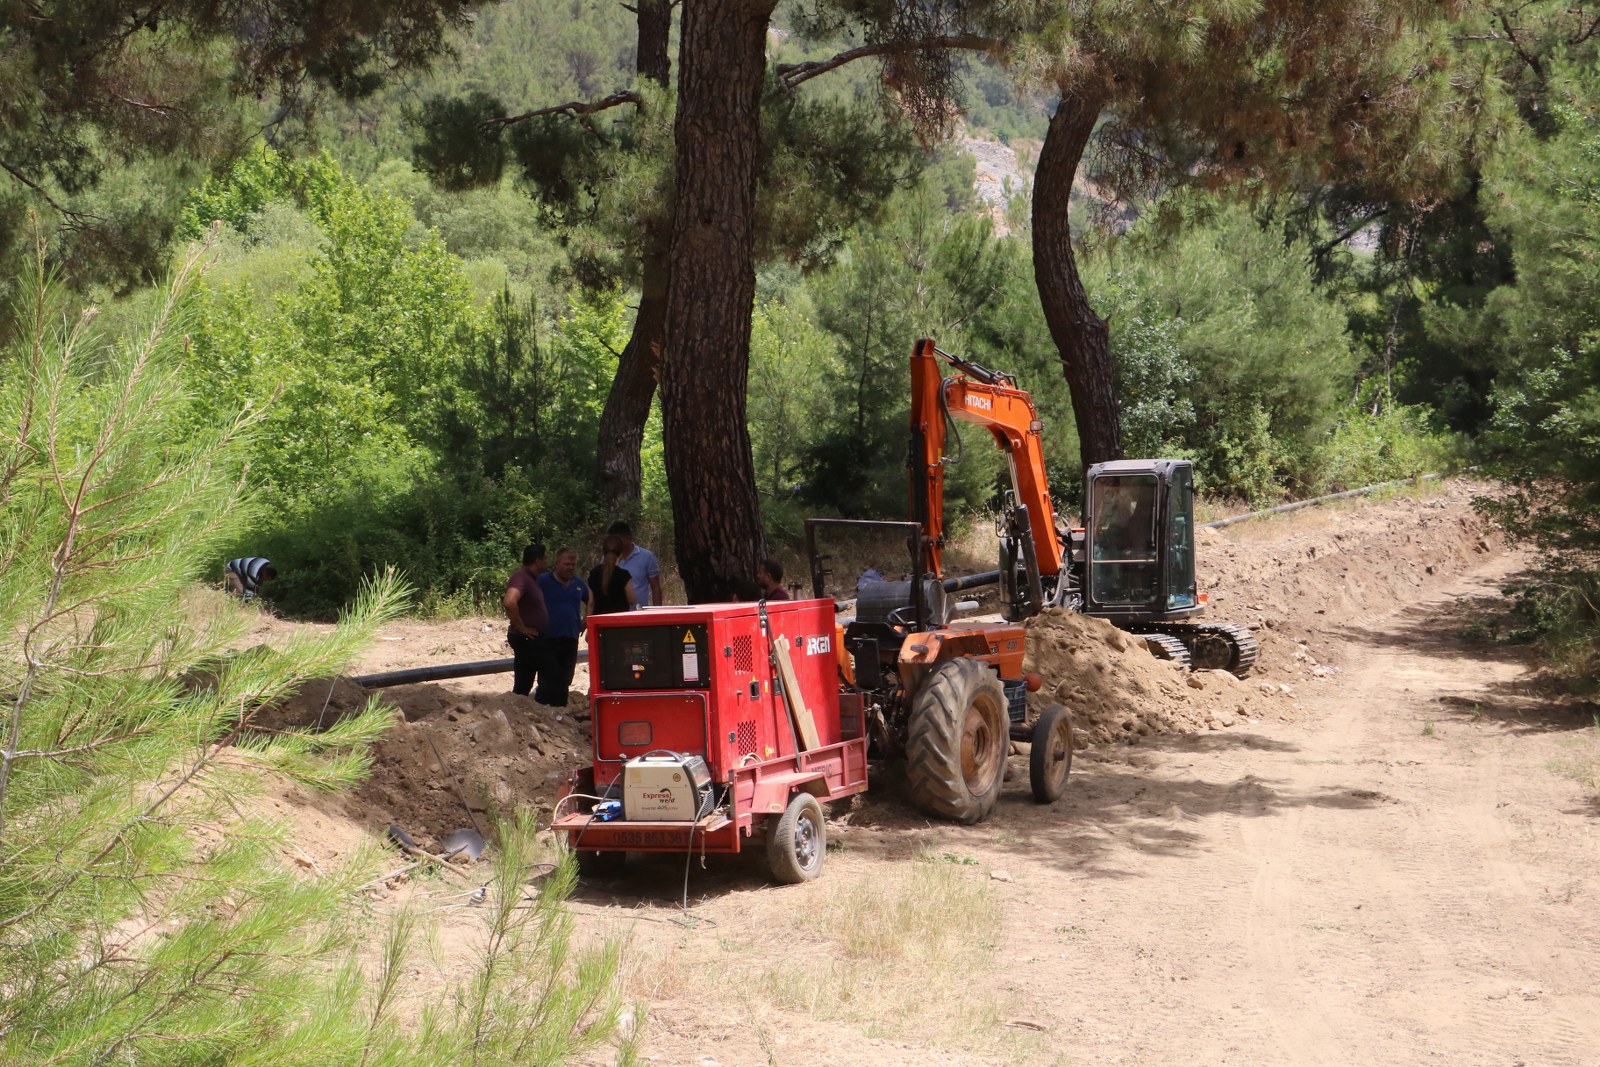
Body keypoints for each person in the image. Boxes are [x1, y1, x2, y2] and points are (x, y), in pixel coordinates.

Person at [536, 546, 590, 707]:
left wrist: (586, 620)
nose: (570, 568)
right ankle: (542, 710)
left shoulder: (578, 584)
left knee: (566, 679)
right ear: (557, 563)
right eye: (567, 564)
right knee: (549, 678)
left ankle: (560, 713)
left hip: (571, 637)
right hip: (548, 637)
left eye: (573, 565)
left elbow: (591, 600)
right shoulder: (542, 581)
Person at [503, 543, 549, 698]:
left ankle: (518, 712)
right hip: (527, 638)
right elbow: (509, 601)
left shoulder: (531, 579)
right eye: (545, 558)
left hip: (529, 637)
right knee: (553, 675)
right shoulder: (521, 578)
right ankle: (550, 711)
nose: (547, 562)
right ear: (537, 560)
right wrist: (521, 627)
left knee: (524, 681)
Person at [607, 520, 663, 607]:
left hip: (638, 614)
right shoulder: (607, 558)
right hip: (614, 614)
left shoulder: (647, 557)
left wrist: (657, 612)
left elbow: (655, 587)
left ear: (628, 538)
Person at [588, 534, 637, 615]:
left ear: (603, 552)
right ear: (621, 553)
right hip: (619, 622)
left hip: (599, 622)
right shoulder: (623, 575)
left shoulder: (593, 573)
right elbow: (632, 600)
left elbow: (591, 603)